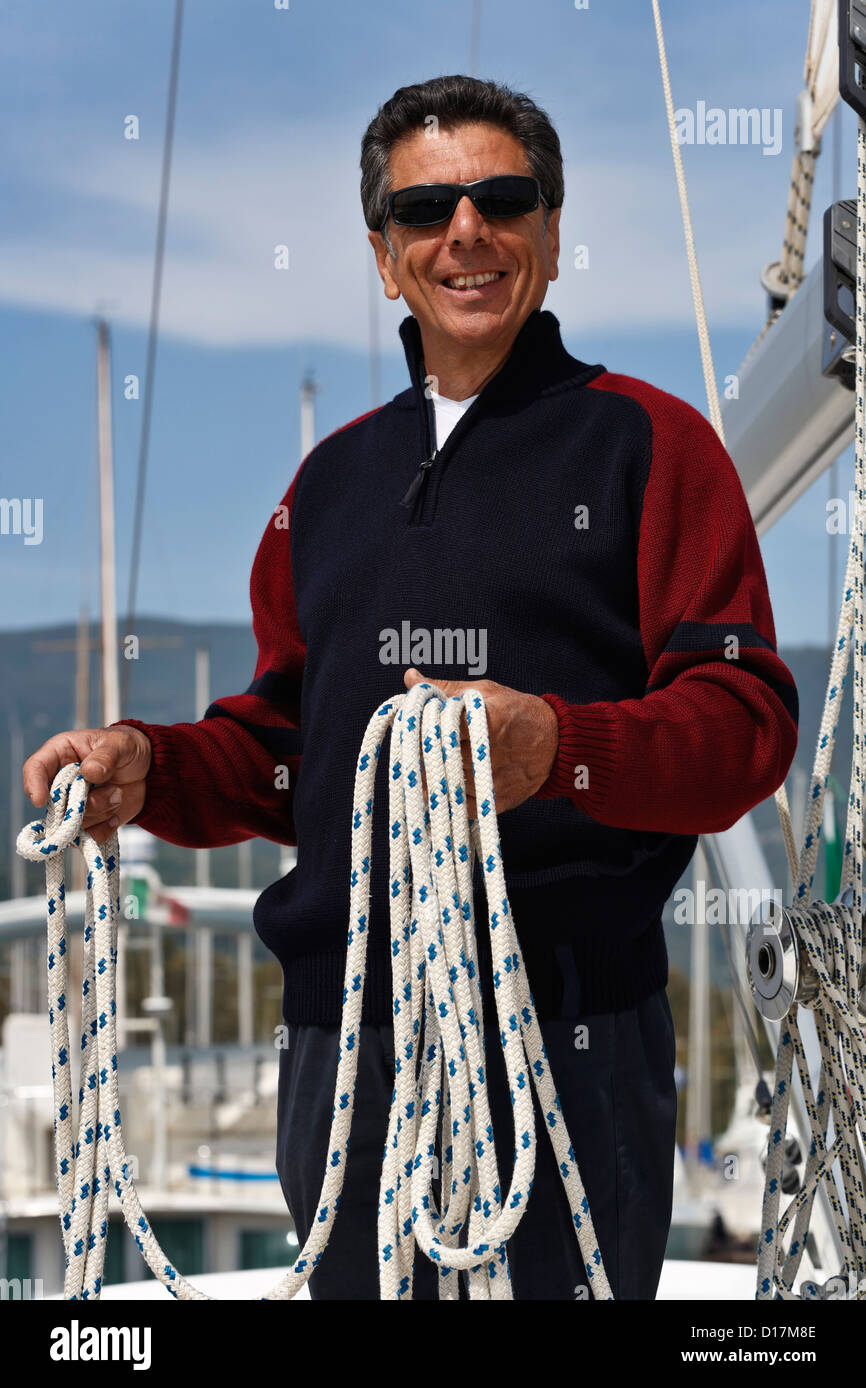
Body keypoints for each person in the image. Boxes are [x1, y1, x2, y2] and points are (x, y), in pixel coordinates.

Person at [23, 74, 798, 1300]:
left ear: (548, 232)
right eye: (426, 208)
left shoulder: (649, 446)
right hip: (344, 1053)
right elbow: (290, 750)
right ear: (385, 257)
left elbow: (744, 728)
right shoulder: (327, 487)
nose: (465, 232)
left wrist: (558, 746)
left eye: (502, 198)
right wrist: (150, 767)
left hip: (563, 1041)